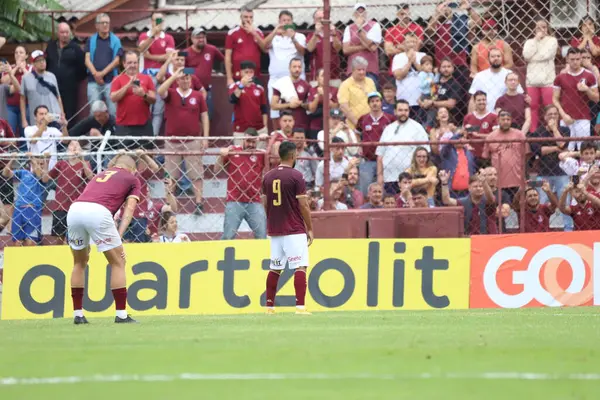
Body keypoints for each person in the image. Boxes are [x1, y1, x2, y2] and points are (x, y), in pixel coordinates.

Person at [67, 153, 141, 324]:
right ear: (133, 169)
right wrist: (120, 235)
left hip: (76, 209)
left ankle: (78, 314)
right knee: (118, 262)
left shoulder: (100, 175)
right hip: (99, 211)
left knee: (79, 262)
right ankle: (121, 314)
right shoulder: (132, 178)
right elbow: (129, 209)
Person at [262, 141, 313, 315]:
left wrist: (272, 218)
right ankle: (300, 307)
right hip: (294, 228)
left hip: (275, 230)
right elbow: (304, 205)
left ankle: (269, 307)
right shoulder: (296, 176)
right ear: (292, 156)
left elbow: (265, 202)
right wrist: (310, 228)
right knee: (300, 266)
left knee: (275, 267)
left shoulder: (268, 176)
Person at [158, 67, 209, 214]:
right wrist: (173, 76)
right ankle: (169, 203)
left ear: (191, 79)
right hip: (172, 140)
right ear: (178, 80)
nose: (185, 80)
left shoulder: (198, 96)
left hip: (192, 140)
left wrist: (205, 137)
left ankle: (198, 203)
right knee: (170, 174)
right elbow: (161, 91)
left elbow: (204, 116)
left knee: (196, 174)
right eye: (182, 78)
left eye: (187, 78)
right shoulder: (171, 93)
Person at [215, 128, 267, 240]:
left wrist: (268, 140)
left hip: (254, 201)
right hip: (234, 200)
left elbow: (277, 157)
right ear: (243, 139)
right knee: (228, 236)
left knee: (262, 236)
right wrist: (221, 155)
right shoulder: (233, 152)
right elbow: (216, 170)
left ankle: (262, 257)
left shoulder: (261, 154)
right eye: (248, 141)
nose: (251, 145)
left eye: (254, 142)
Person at [376, 100, 430, 195]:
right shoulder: (388, 129)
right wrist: (380, 177)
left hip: (410, 179)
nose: (403, 113)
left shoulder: (417, 128)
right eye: (400, 110)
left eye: (406, 110)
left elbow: (426, 153)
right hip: (390, 178)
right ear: (395, 111)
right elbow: (380, 155)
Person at [263, 10, 307, 123]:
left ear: (292, 22)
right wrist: (275, 31)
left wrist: (292, 37)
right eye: (283, 20)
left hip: (295, 79)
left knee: (296, 109)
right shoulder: (274, 37)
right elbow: (263, 46)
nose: (286, 23)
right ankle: (278, 135)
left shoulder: (299, 36)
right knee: (275, 111)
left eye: (288, 20)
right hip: (276, 79)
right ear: (279, 22)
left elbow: (302, 52)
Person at [137, 12, 176, 137]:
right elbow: (141, 49)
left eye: (160, 20)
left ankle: (152, 139)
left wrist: (150, 56)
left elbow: (168, 56)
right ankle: (144, 135)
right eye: (156, 20)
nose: (158, 23)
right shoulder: (144, 35)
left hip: (162, 75)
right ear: (151, 22)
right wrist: (153, 35)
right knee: (145, 108)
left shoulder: (168, 38)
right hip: (146, 76)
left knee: (158, 110)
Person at [553, 47, 599, 151]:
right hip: (565, 118)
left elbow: (596, 98)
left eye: (578, 59)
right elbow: (554, 98)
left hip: (583, 118)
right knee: (565, 150)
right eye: (572, 59)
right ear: (567, 60)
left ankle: (583, 168)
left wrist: (586, 89)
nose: (575, 62)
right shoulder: (560, 77)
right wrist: (563, 115)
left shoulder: (589, 75)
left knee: (583, 150)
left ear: (581, 59)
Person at [109, 51, 156, 150]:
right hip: (124, 126)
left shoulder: (147, 78)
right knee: (124, 160)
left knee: (147, 158)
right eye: (130, 63)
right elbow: (113, 98)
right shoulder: (117, 79)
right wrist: (127, 86)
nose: (133, 65)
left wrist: (143, 95)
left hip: (144, 125)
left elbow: (153, 100)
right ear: (124, 63)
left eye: (135, 62)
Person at [49, 141, 94, 242]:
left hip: (76, 206)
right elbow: (47, 177)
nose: (74, 147)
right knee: (59, 237)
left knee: (76, 238)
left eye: (76, 146)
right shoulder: (61, 164)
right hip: (61, 205)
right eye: (71, 145)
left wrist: (82, 159)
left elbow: (90, 177)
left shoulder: (84, 164)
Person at [45, 22, 86, 128]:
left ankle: (68, 140)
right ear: (58, 33)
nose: (65, 35)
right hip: (52, 88)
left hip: (69, 89)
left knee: (69, 114)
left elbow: (82, 69)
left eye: (67, 32)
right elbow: (46, 64)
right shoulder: (51, 47)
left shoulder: (75, 48)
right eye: (62, 32)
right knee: (52, 112)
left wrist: (72, 79)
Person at [483, 111, 530, 203]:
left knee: (519, 209)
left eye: (508, 119)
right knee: (501, 211)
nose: (505, 121)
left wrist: (524, 174)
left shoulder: (519, 135)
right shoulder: (490, 137)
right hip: (497, 182)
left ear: (511, 121)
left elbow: (526, 156)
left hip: (517, 181)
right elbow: (485, 159)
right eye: (503, 119)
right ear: (498, 120)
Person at [3, 153, 49, 246]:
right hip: (19, 209)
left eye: (41, 164)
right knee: (17, 241)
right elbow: (5, 173)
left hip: (32, 210)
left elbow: (40, 174)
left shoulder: (43, 176)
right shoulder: (24, 173)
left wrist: (32, 158)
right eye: (37, 163)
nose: (39, 166)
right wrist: (12, 159)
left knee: (31, 242)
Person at [522, 17, 558, 133]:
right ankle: (534, 133)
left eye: (544, 27)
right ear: (534, 29)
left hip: (548, 80)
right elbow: (526, 55)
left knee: (549, 108)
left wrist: (533, 57)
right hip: (532, 81)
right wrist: (536, 40)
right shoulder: (530, 42)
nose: (541, 30)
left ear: (547, 28)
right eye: (538, 27)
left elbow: (546, 55)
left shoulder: (552, 40)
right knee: (533, 107)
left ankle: (552, 131)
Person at [84, 13, 123, 117]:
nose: (105, 25)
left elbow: (117, 61)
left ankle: (113, 132)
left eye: (107, 23)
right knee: (94, 111)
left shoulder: (115, 40)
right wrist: (96, 74)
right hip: (93, 81)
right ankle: (95, 132)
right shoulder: (91, 40)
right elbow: (87, 60)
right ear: (97, 25)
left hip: (111, 81)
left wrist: (101, 74)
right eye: (102, 23)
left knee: (113, 111)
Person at [356, 92, 394, 195]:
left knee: (384, 188)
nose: (375, 103)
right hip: (368, 158)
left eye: (377, 101)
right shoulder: (363, 119)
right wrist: (360, 145)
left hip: (385, 160)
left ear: (381, 102)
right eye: (372, 101)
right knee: (365, 187)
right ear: (368, 104)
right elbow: (357, 133)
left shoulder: (390, 118)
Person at [439, 170, 497, 235]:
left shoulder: (487, 200)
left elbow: (491, 199)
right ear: (469, 188)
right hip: (470, 239)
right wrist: (444, 183)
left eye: (481, 186)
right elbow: (446, 200)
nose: (478, 188)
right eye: (475, 186)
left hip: (489, 238)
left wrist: (484, 182)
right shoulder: (464, 202)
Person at [20, 50, 67, 130]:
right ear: (33, 63)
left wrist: (62, 114)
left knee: (57, 140)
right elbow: (22, 99)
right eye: (38, 61)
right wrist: (24, 120)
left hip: (54, 117)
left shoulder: (52, 76)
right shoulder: (26, 78)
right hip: (37, 119)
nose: (42, 62)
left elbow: (58, 96)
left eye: (43, 60)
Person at [468, 48, 523, 114]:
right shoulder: (479, 76)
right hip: (485, 116)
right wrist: (470, 118)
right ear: (488, 59)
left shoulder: (509, 74)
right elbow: (472, 99)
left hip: (505, 117)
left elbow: (520, 94)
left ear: (502, 58)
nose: (496, 58)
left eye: (498, 56)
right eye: (493, 56)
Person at [185, 28, 224, 117]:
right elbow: (180, 69)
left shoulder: (212, 49)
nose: (201, 39)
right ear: (192, 39)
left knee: (208, 115)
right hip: (191, 90)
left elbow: (225, 60)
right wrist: (193, 71)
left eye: (203, 37)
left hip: (206, 89)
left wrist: (222, 72)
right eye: (198, 37)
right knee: (191, 116)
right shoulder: (185, 52)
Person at [342, 3, 383, 86]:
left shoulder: (374, 25)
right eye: (358, 12)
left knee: (370, 95)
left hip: (369, 70)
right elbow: (345, 50)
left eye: (362, 12)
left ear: (366, 13)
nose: (360, 14)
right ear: (354, 14)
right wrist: (364, 46)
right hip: (353, 70)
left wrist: (359, 29)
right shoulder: (349, 28)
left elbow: (373, 48)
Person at [225, 7, 266, 86]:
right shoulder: (232, 33)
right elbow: (227, 57)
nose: (248, 19)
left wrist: (253, 33)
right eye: (246, 17)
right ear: (241, 17)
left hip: (255, 75)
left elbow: (264, 49)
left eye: (251, 17)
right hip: (238, 74)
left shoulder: (258, 32)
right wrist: (229, 78)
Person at [230, 61, 268, 143]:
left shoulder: (259, 88)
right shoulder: (235, 86)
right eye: (246, 72)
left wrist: (265, 126)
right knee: (240, 154)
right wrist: (241, 86)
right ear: (241, 73)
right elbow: (232, 99)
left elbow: (264, 109)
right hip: (241, 129)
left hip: (258, 129)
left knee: (260, 153)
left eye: (251, 72)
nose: (249, 74)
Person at [391, 33, 427, 116]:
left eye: (414, 42)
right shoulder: (398, 57)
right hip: (403, 100)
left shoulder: (423, 55)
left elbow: (427, 74)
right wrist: (410, 62)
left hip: (420, 100)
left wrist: (415, 62)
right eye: (409, 42)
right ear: (403, 43)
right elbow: (398, 76)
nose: (411, 44)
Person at [270, 57, 311, 131]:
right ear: (289, 68)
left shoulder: (306, 85)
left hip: (301, 124)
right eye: (294, 67)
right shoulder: (281, 83)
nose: (297, 69)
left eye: (299, 67)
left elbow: (310, 106)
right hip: (286, 124)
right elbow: (273, 106)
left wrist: (301, 104)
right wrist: (289, 104)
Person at [337, 57, 376, 129]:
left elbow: (375, 101)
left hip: (371, 124)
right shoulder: (345, 85)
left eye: (363, 69)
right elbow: (344, 107)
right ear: (352, 70)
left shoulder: (370, 82)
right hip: (353, 126)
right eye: (359, 70)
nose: (362, 72)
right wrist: (358, 124)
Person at [307, 9, 343, 85]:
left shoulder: (335, 33)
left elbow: (338, 48)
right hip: (317, 77)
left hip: (334, 75)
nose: (322, 21)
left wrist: (333, 33)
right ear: (314, 21)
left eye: (324, 18)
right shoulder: (311, 35)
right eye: (319, 19)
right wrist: (316, 33)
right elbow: (310, 48)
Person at [24, 105, 66, 170]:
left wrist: (64, 126)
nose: (44, 116)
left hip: (53, 171)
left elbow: (65, 141)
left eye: (46, 114)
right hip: (36, 170)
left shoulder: (53, 130)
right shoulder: (29, 129)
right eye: (41, 114)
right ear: (35, 117)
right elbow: (34, 140)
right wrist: (44, 123)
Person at [307, 68, 339, 142]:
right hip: (315, 124)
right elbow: (311, 109)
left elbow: (334, 106)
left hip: (330, 124)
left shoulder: (334, 89)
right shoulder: (312, 90)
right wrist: (318, 96)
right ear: (317, 78)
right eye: (323, 75)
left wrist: (324, 95)